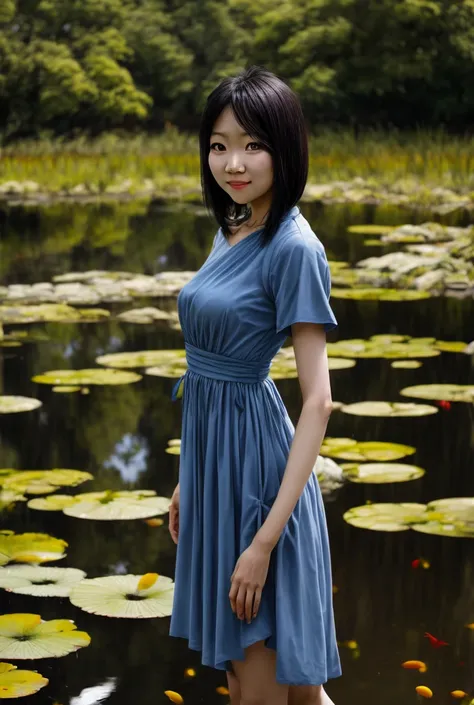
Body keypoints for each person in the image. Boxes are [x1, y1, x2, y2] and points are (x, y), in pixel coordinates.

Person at [168, 65, 342, 705]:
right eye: (219, 144)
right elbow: (208, 370)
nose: (233, 162)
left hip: (261, 486)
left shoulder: (295, 248)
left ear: (284, 148)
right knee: (288, 691)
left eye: (252, 144)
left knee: (258, 682)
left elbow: (318, 401)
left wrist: (264, 542)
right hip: (219, 469)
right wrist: (194, 476)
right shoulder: (233, 225)